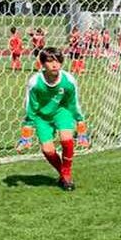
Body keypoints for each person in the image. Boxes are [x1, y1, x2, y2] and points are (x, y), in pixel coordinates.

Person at [16, 47, 89, 191]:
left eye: (57, 61)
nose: (55, 64)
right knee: (48, 150)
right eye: (50, 61)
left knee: (66, 139)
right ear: (42, 64)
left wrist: (81, 125)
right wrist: (26, 134)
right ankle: (62, 173)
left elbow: (73, 103)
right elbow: (31, 107)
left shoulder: (68, 80)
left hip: (62, 111)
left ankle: (66, 175)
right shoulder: (35, 82)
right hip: (42, 117)